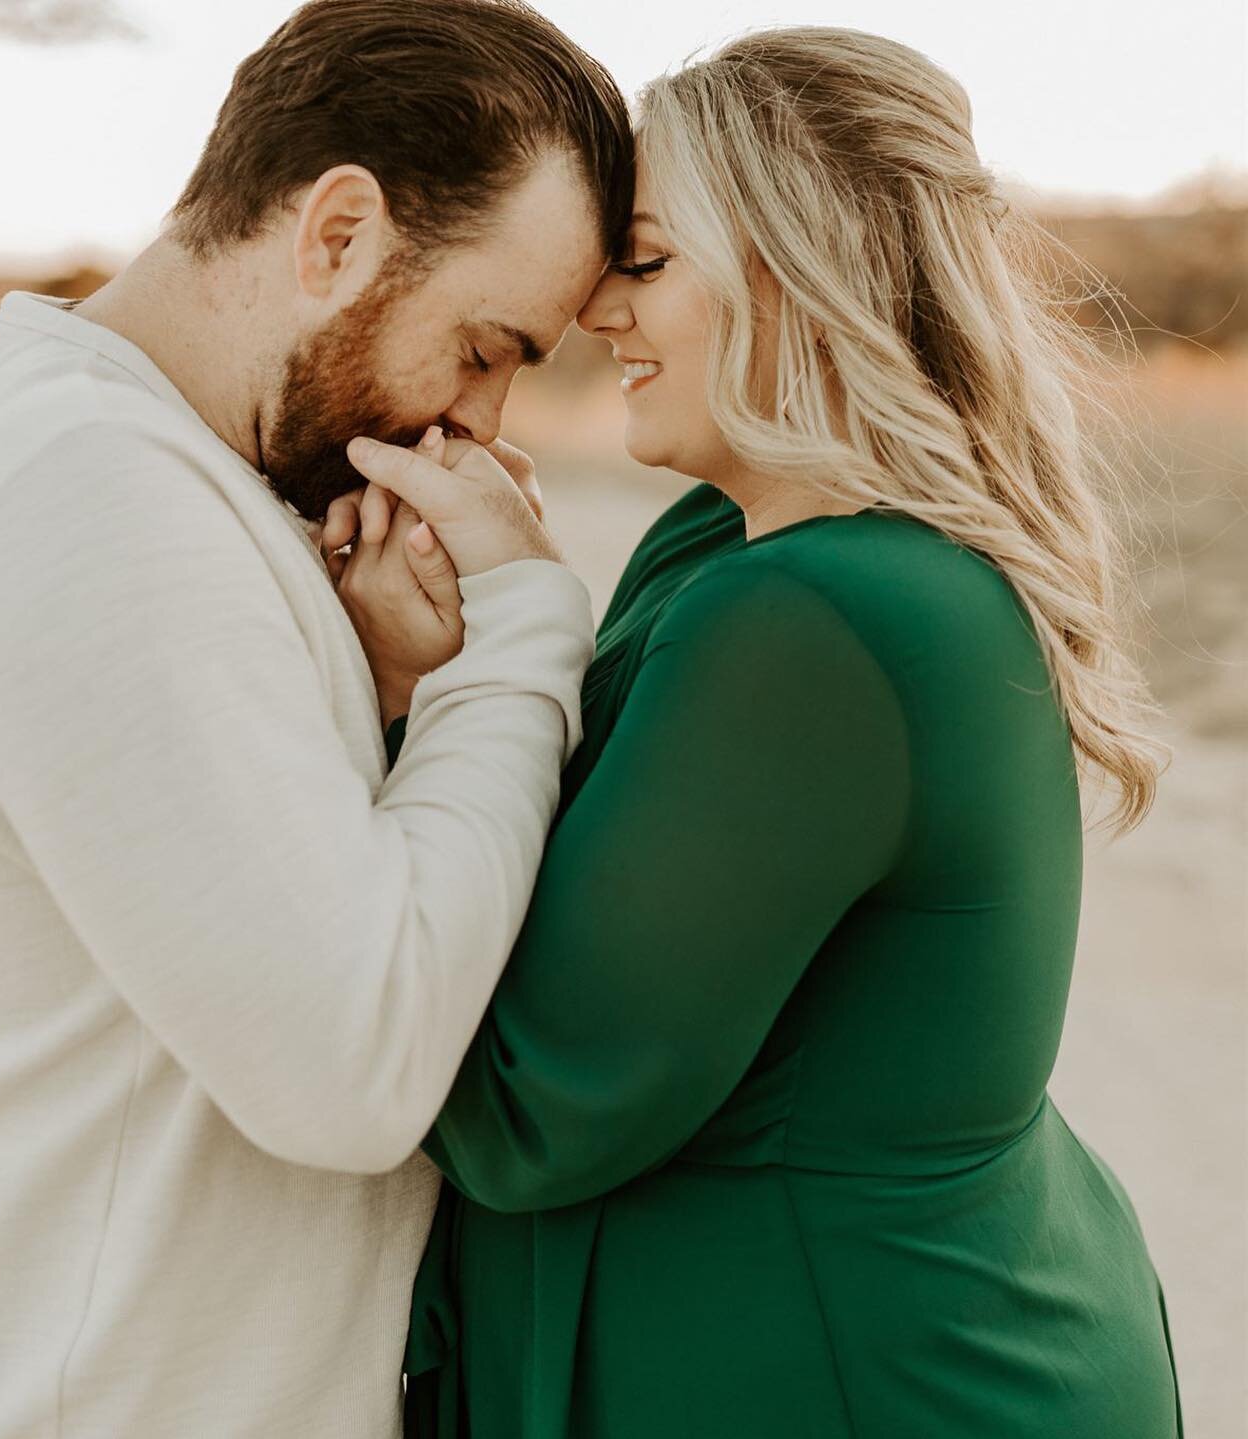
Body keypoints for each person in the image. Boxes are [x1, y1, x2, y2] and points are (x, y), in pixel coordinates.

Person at [336, 26, 1183, 1439]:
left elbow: (529, 1105)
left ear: (798, 274)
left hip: (856, 1377)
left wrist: (481, 647)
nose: (601, 305)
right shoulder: (728, 551)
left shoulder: (813, 617)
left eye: (649, 260)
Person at [0, 3, 633, 1435]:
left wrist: (388, 696)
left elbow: (271, 908)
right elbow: (352, 1064)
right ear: (335, 234)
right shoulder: (90, 499)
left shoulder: (170, 486)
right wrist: (520, 633)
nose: (483, 426)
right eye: (486, 344)